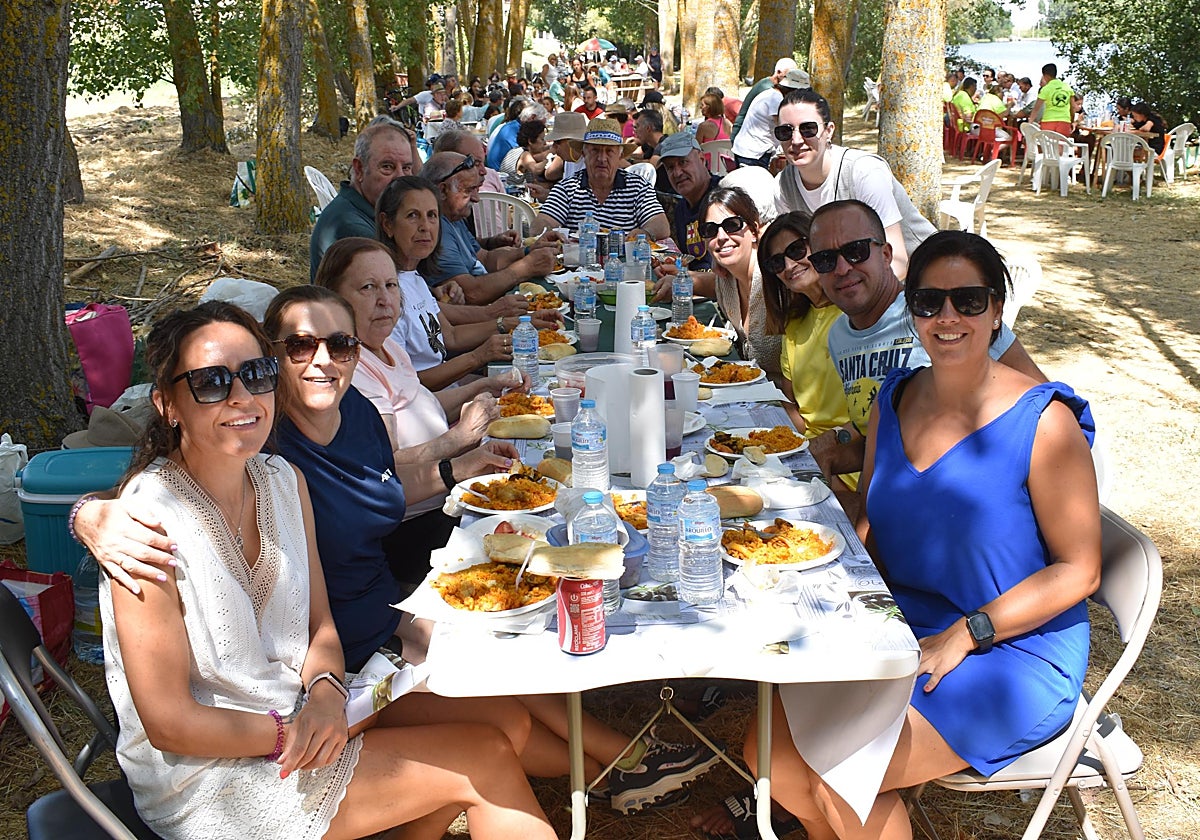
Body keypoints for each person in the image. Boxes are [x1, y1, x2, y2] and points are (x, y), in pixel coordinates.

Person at [96, 300, 557, 840]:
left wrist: (325, 694)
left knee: (504, 723)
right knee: (483, 757)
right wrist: (290, 728)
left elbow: (319, 625)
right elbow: (169, 722)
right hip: (214, 777)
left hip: (308, 714)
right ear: (167, 403)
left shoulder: (281, 480)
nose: (243, 397)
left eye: (255, 374)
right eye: (212, 383)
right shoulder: (144, 522)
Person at [741, 230, 1100, 840]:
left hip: (1010, 646)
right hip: (899, 627)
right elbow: (875, 519)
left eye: (968, 300)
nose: (948, 317)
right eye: (929, 302)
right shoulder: (897, 397)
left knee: (844, 773)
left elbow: (1080, 570)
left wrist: (968, 632)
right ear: (912, 313)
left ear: (996, 310)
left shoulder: (1046, 422)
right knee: (766, 754)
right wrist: (829, 590)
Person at [802, 200, 1044, 516]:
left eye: (857, 250)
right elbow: (874, 425)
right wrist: (834, 444)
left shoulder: (940, 313)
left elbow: (1037, 400)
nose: (843, 268)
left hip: (964, 505)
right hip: (889, 505)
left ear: (886, 254)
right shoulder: (839, 336)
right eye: (824, 260)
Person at [774, 88, 937, 281]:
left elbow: (898, 262)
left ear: (829, 131)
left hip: (924, 275)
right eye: (785, 131)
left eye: (808, 129)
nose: (796, 140)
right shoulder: (783, 187)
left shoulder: (863, 172)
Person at [421, 152, 559, 306]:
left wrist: (529, 251)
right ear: (442, 191)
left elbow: (485, 259)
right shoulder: (436, 229)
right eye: (468, 190)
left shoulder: (453, 216)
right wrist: (527, 267)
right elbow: (472, 293)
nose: (476, 198)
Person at [759, 211, 849, 438]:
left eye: (796, 250)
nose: (789, 266)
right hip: (807, 451)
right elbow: (794, 408)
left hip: (850, 457)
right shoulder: (794, 324)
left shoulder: (855, 313)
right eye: (777, 262)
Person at [309, 117, 419, 279]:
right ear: (359, 169)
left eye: (407, 168)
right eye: (387, 167)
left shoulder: (372, 209)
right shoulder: (350, 227)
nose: (400, 179)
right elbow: (398, 297)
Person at [532, 117, 670, 239]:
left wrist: (645, 233)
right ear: (584, 154)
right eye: (595, 150)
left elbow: (661, 225)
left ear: (619, 156)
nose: (602, 159)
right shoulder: (567, 188)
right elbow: (540, 225)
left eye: (609, 151)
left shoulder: (638, 187)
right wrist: (550, 233)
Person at [698, 185, 782, 379]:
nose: (721, 237)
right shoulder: (725, 282)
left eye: (732, 225)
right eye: (710, 230)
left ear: (753, 230)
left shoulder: (777, 277)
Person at [657, 132, 722, 270]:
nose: (677, 173)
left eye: (683, 162)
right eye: (670, 167)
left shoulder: (722, 197)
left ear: (702, 159)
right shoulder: (681, 209)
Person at [731, 67, 811, 169]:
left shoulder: (770, 94)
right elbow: (784, 127)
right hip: (754, 154)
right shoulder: (776, 99)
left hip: (749, 150)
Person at [731, 57, 797, 139]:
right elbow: (779, 121)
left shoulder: (769, 86)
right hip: (743, 135)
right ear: (779, 72)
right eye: (788, 76)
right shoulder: (771, 92)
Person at [544, 111, 588, 184]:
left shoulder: (591, 164)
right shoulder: (569, 159)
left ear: (571, 142)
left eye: (557, 142)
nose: (554, 148)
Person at [1029, 62, 1073, 136]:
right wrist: (1072, 121)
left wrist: (1030, 122)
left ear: (1045, 75)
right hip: (1064, 121)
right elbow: (1073, 107)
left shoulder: (1046, 89)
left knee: (1047, 145)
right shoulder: (1067, 87)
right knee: (1061, 145)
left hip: (1048, 120)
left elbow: (1036, 108)